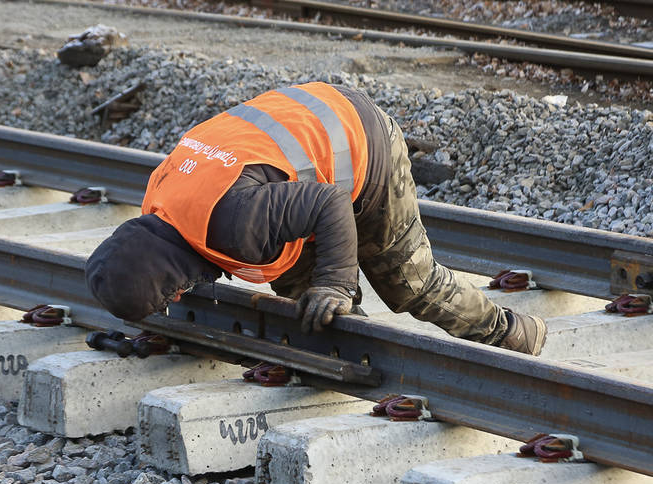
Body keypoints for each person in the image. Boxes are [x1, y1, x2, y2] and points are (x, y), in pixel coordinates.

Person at [85, 82, 547, 356]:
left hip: (362, 146)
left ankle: (514, 334)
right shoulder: (161, 204)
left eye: (172, 291)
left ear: (169, 273)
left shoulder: (236, 222)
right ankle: (362, 354)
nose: (182, 294)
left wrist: (338, 283)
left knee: (407, 284)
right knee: (305, 296)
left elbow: (329, 204)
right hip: (306, 130)